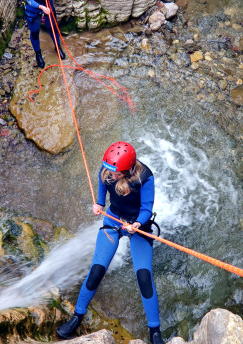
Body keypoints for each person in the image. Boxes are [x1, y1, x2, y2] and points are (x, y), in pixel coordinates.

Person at [57, 142, 166, 344]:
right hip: (113, 220)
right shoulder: (109, 168)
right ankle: (77, 316)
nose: (110, 175)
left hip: (138, 226)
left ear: (128, 171)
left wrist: (137, 224)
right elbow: (102, 182)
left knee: (144, 277)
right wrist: (99, 203)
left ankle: (155, 331)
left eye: (116, 174)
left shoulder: (145, 178)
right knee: (96, 271)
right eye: (109, 171)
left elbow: (146, 208)